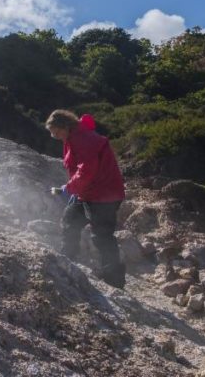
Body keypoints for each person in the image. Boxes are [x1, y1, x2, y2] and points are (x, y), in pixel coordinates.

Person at [46, 109, 126, 288]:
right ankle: (67, 261)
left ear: (66, 126)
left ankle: (114, 281)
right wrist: (74, 190)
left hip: (104, 195)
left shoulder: (84, 139)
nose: (56, 137)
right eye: (53, 135)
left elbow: (86, 171)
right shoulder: (73, 137)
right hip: (88, 193)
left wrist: (69, 188)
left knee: (102, 236)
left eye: (57, 133)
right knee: (70, 220)